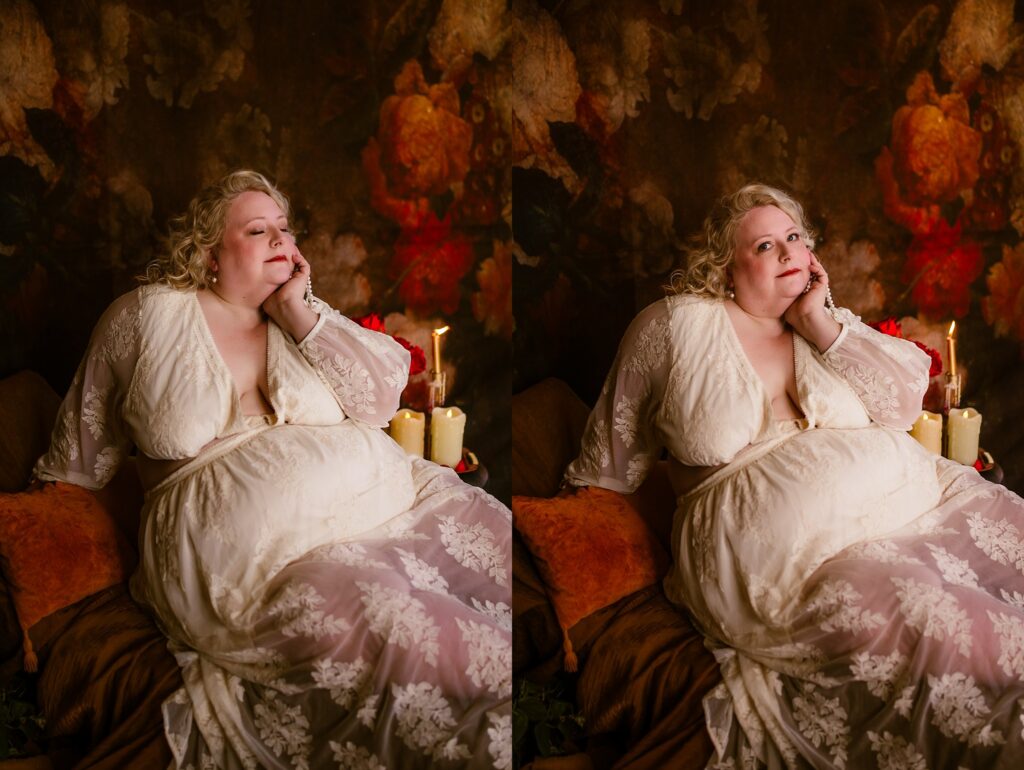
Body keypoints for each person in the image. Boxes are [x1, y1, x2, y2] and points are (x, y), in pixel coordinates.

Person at [34, 170, 511, 769]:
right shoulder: (146, 317)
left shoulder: (301, 317)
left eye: (285, 229)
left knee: (499, 552)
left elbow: (380, 401)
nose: (281, 240)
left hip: (394, 508)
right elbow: (79, 450)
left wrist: (298, 311)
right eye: (258, 230)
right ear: (209, 253)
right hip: (258, 566)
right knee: (389, 617)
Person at [565, 183, 1024, 768]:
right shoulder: (675, 327)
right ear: (725, 267)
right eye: (764, 244)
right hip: (790, 562)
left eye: (795, 238)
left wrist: (817, 321)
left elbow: (908, 403)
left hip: (920, 506)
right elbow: (609, 459)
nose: (787, 252)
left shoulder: (828, 325)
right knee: (928, 620)